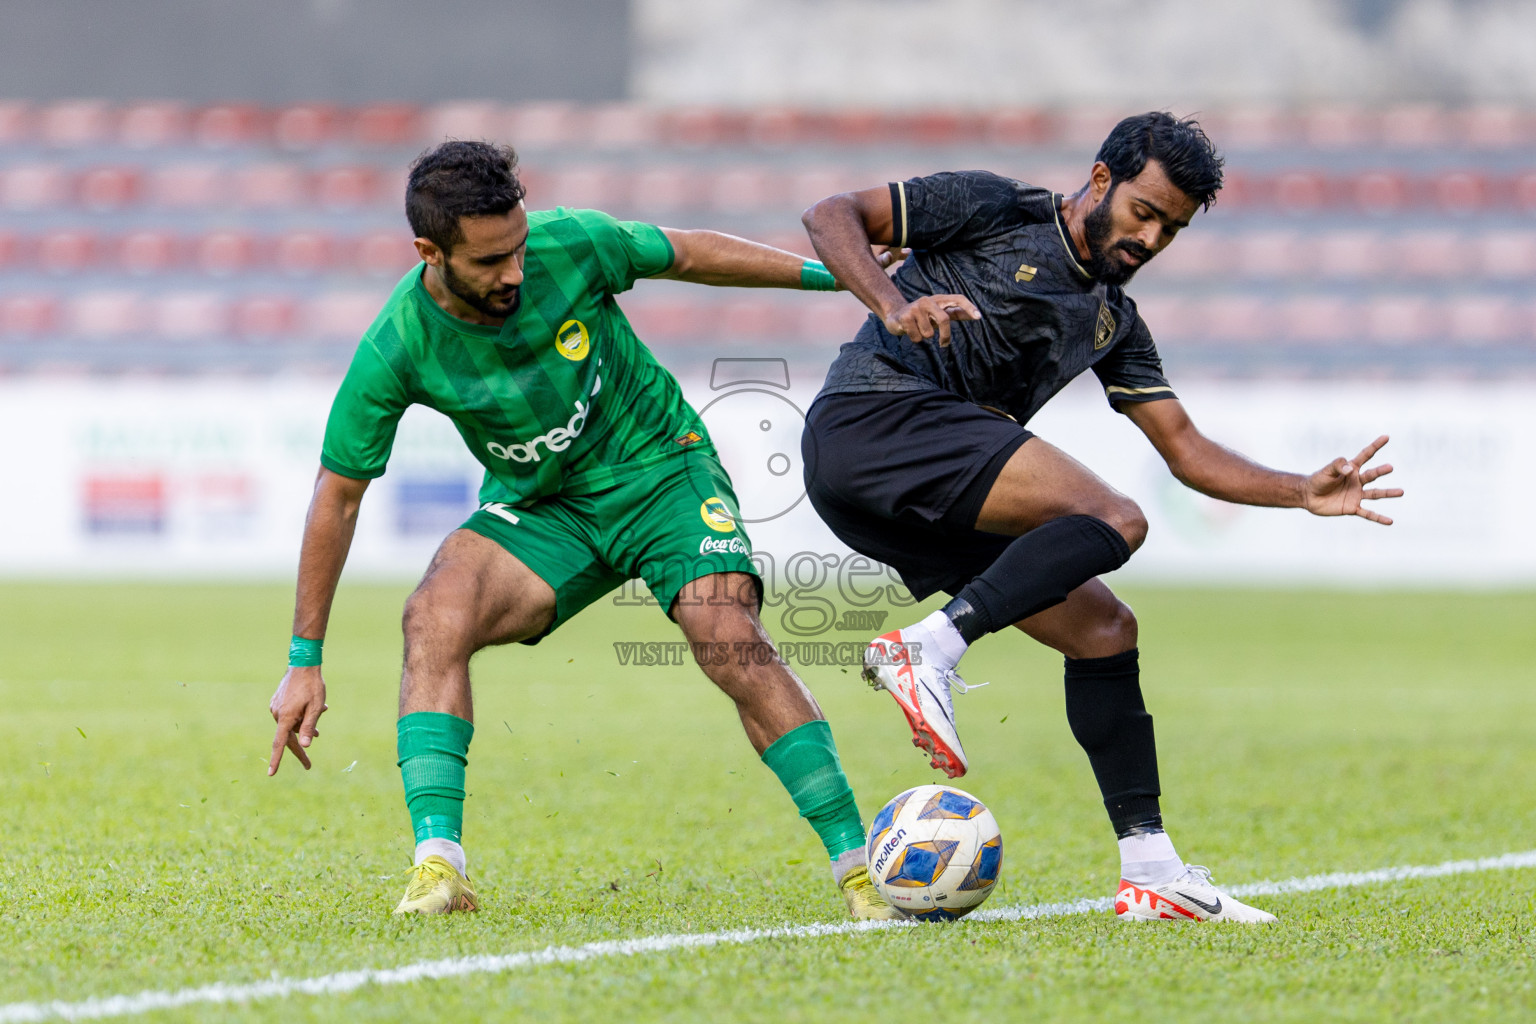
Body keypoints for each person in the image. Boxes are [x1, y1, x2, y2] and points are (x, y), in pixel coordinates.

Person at [266, 140, 899, 920]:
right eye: (493, 260)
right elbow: (337, 498)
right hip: (545, 508)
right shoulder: (398, 342)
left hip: (661, 469)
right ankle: (439, 867)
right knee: (434, 614)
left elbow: (690, 253)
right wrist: (304, 662)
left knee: (721, 625)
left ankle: (860, 871)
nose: (516, 272)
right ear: (430, 252)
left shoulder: (573, 243)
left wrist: (839, 277)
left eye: (521, 248)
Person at [798, 111, 1402, 924]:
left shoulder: (1115, 319)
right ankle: (926, 650)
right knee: (1112, 517)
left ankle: (1151, 869)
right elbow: (831, 214)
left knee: (1105, 630)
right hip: (872, 422)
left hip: (922, 491)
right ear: (1100, 180)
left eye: (1172, 229)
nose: (1151, 238)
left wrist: (1300, 489)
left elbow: (1184, 448)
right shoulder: (996, 208)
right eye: (1144, 212)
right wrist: (888, 301)